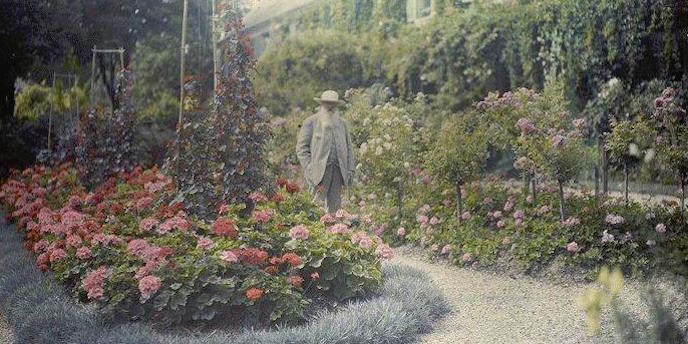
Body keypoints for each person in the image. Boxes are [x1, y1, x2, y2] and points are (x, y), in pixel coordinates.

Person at [296, 90, 355, 213]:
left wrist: (350, 170)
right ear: (322, 104)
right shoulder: (310, 122)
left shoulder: (342, 124)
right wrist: (310, 168)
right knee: (316, 209)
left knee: (336, 211)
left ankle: (334, 232)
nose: (330, 107)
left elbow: (350, 149)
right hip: (319, 173)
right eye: (327, 103)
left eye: (333, 104)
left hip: (338, 172)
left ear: (337, 105)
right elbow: (301, 149)